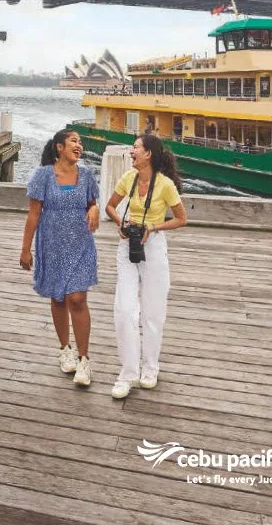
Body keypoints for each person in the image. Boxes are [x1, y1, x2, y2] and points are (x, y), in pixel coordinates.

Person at [105, 134, 188, 399]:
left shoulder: (164, 185)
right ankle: (128, 372)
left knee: (153, 312)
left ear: (149, 153)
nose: (132, 152)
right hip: (128, 244)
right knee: (125, 309)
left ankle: (150, 367)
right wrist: (121, 223)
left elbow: (181, 219)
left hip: (153, 246)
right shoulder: (127, 179)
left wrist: (153, 228)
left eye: (136, 148)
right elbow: (109, 207)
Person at [20, 129, 100, 387]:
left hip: (80, 243)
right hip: (52, 244)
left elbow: (92, 203)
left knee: (77, 298)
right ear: (59, 147)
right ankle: (65, 348)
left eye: (80, 142)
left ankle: (84, 360)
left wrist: (95, 208)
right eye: (74, 141)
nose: (79, 145)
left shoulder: (87, 175)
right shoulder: (43, 176)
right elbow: (33, 215)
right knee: (58, 297)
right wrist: (25, 249)